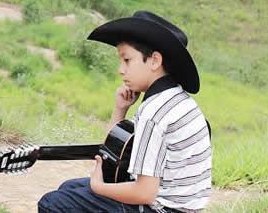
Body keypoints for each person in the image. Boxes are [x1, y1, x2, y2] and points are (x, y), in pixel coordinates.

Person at [38, 11, 212, 213]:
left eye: (127, 60)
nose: (121, 70)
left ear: (155, 61)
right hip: (181, 207)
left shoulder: (154, 113)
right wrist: (120, 108)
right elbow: (115, 154)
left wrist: (99, 187)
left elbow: (144, 193)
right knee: (69, 187)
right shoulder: (176, 99)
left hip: (161, 208)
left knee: (52, 203)